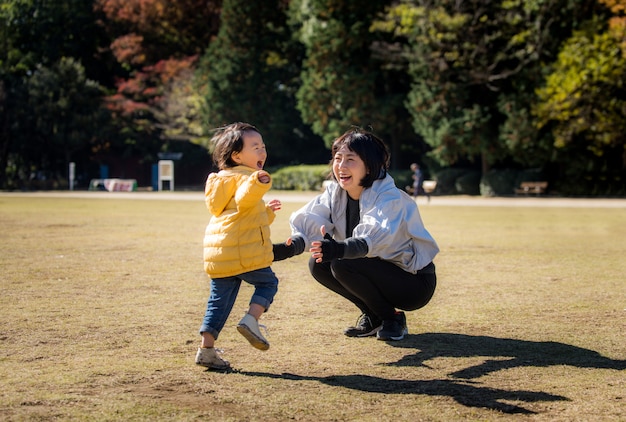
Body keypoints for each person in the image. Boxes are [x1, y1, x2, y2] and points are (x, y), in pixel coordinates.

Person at [289, 128, 439, 341]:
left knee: (342, 262)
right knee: (318, 263)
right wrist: (284, 249)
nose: (341, 166)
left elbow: (374, 235)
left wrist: (338, 249)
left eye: (350, 159)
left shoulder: (388, 196)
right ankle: (374, 317)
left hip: (413, 282)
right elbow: (310, 220)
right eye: (338, 158)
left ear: (369, 166)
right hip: (372, 267)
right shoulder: (335, 193)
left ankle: (392, 319)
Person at [195, 122, 304, 370]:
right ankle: (251, 320)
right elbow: (245, 198)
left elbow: (242, 212)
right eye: (255, 147)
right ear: (236, 155)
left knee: (218, 301)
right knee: (268, 283)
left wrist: (266, 211)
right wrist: (258, 183)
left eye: (263, 146)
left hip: (220, 254)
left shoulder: (221, 181)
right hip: (242, 251)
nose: (262, 152)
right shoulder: (247, 178)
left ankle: (206, 350)